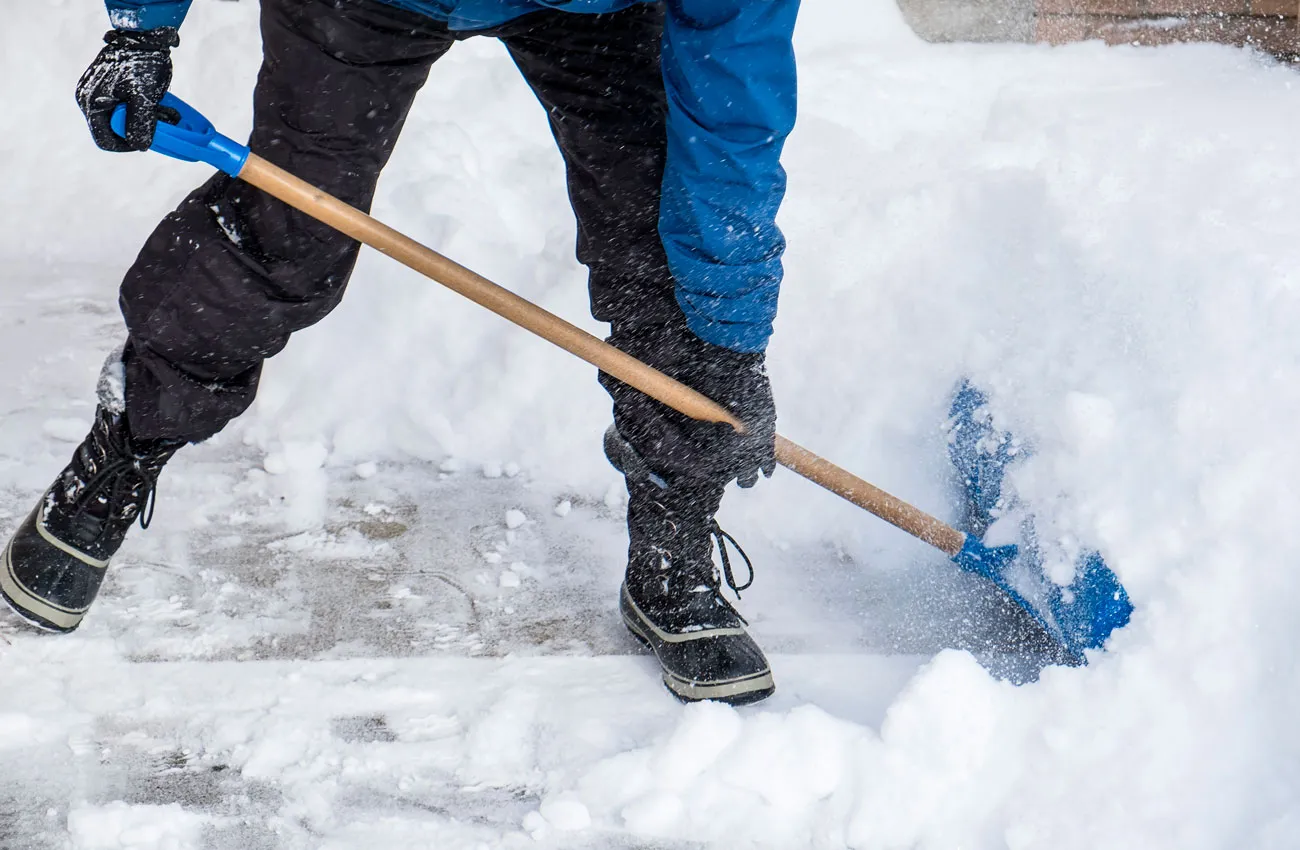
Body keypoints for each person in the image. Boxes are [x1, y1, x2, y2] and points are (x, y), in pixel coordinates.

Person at [1, 0, 798, 706]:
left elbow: (734, 111)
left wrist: (728, 345)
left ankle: (674, 527)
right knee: (288, 232)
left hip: (593, 7)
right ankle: (129, 440)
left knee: (667, 233)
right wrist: (142, 26)